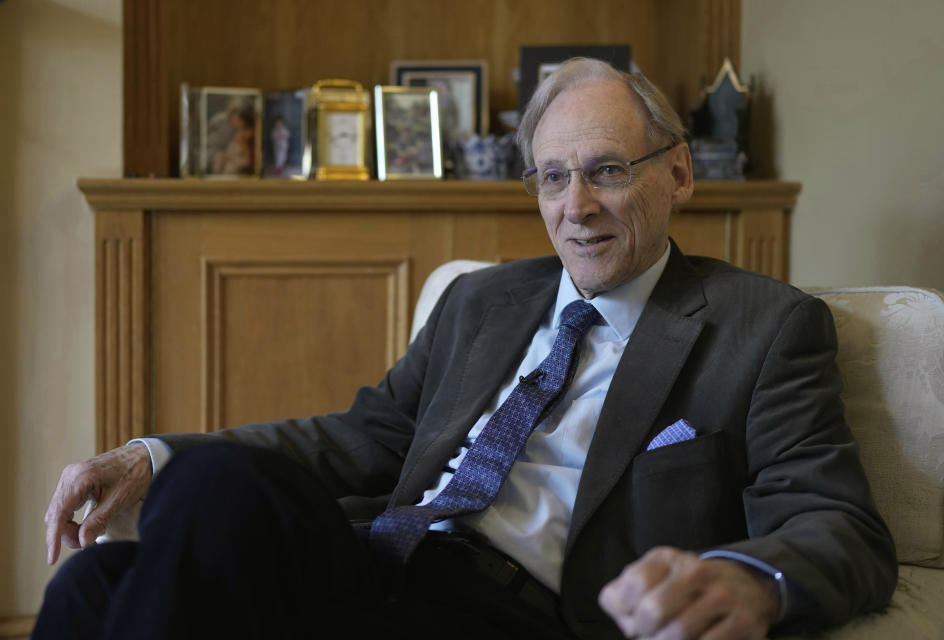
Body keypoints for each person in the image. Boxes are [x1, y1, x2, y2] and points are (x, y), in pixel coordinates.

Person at [38, 58, 897, 640]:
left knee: (137, 560)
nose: (577, 206)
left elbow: (840, 524)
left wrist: (753, 579)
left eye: (606, 170)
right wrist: (151, 455)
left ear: (677, 174)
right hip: (379, 566)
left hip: (521, 610)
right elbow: (360, 437)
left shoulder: (765, 327)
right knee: (108, 565)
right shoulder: (479, 300)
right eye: (553, 177)